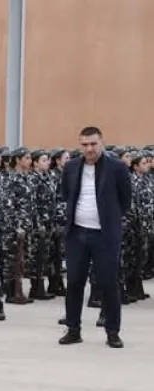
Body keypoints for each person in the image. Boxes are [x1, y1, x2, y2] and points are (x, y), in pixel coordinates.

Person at [59, 126, 131, 348]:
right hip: (77, 234)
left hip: (104, 236)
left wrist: (111, 221)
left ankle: (112, 331)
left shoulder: (117, 167)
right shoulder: (71, 167)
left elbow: (125, 200)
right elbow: (65, 195)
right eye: (84, 144)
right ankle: (73, 329)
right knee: (74, 283)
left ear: (102, 142)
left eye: (93, 144)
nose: (89, 149)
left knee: (109, 283)